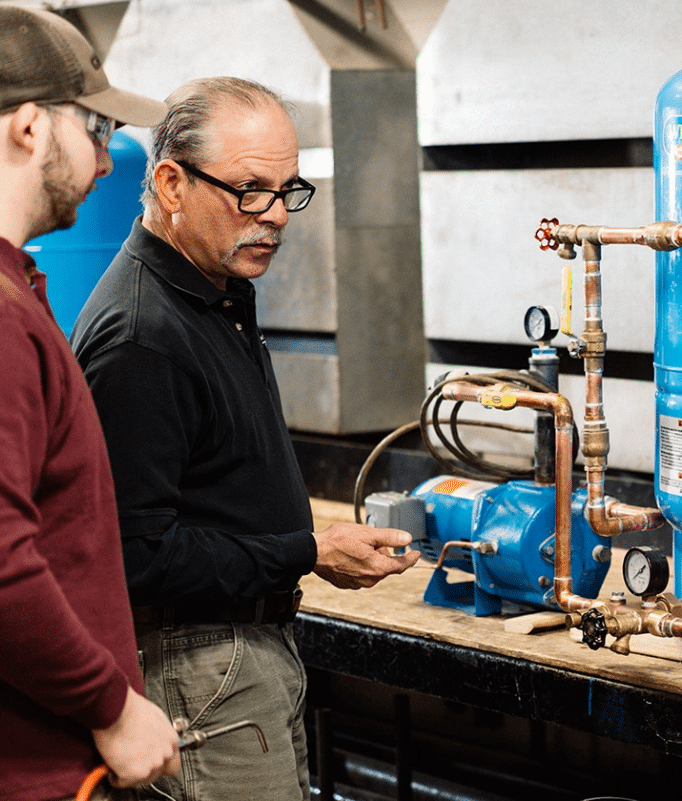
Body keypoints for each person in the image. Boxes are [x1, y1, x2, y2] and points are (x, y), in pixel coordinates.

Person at [71, 76, 422, 801]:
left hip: (244, 658)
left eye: (287, 190)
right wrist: (308, 549)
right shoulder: (144, 335)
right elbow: (136, 557)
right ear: (171, 183)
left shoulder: (211, 293)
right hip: (199, 671)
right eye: (249, 190)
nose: (274, 216)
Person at [0, 7, 182, 801]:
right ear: (32, 128)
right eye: (97, 128)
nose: (108, 164)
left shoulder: (18, 295)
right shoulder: (2, 320)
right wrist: (110, 705)